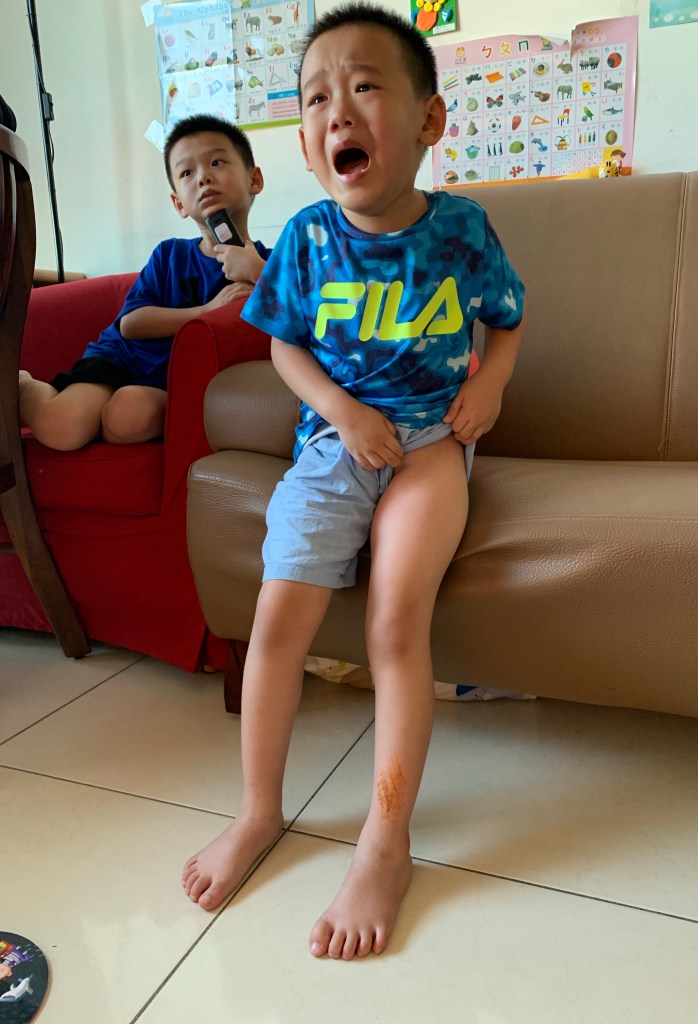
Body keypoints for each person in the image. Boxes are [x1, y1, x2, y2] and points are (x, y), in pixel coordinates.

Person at [181, 2, 526, 960]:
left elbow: (507, 320)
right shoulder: (303, 238)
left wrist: (491, 384)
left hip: (431, 445)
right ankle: (258, 811)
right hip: (335, 448)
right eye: (317, 98)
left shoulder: (462, 229)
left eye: (366, 86)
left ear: (428, 120)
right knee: (277, 619)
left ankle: (386, 839)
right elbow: (284, 347)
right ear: (306, 143)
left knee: (393, 625)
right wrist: (342, 412)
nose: (338, 109)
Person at [18, 114, 269, 451]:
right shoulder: (170, 255)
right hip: (120, 360)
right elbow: (132, 324)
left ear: (254, 179)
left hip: (167, 386)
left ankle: (102, 419)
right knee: (61, 427)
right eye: (186, 173)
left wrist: (257, 271)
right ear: (178, 203)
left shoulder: (272, 266)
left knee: (127, 415)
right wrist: (207, 310)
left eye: (217, 162)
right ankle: (21, 384)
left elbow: (302, 315)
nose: (204, 177)